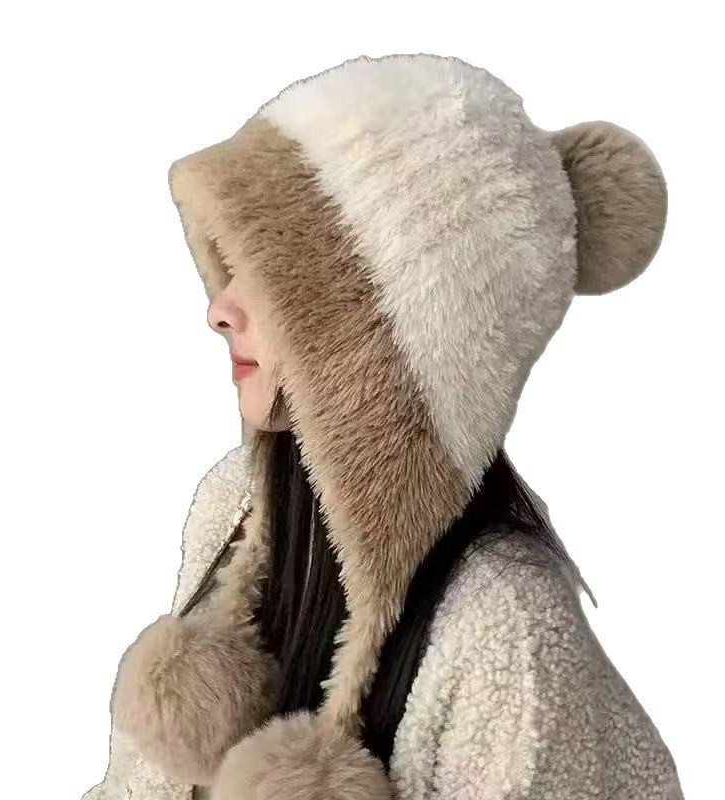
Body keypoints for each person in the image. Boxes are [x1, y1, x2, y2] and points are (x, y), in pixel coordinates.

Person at [81, 53, 684, 800]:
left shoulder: (507, 632)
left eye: (277, 275)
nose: (220, 310)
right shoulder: (235, 508)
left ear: (381, 340)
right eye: (231, 262)